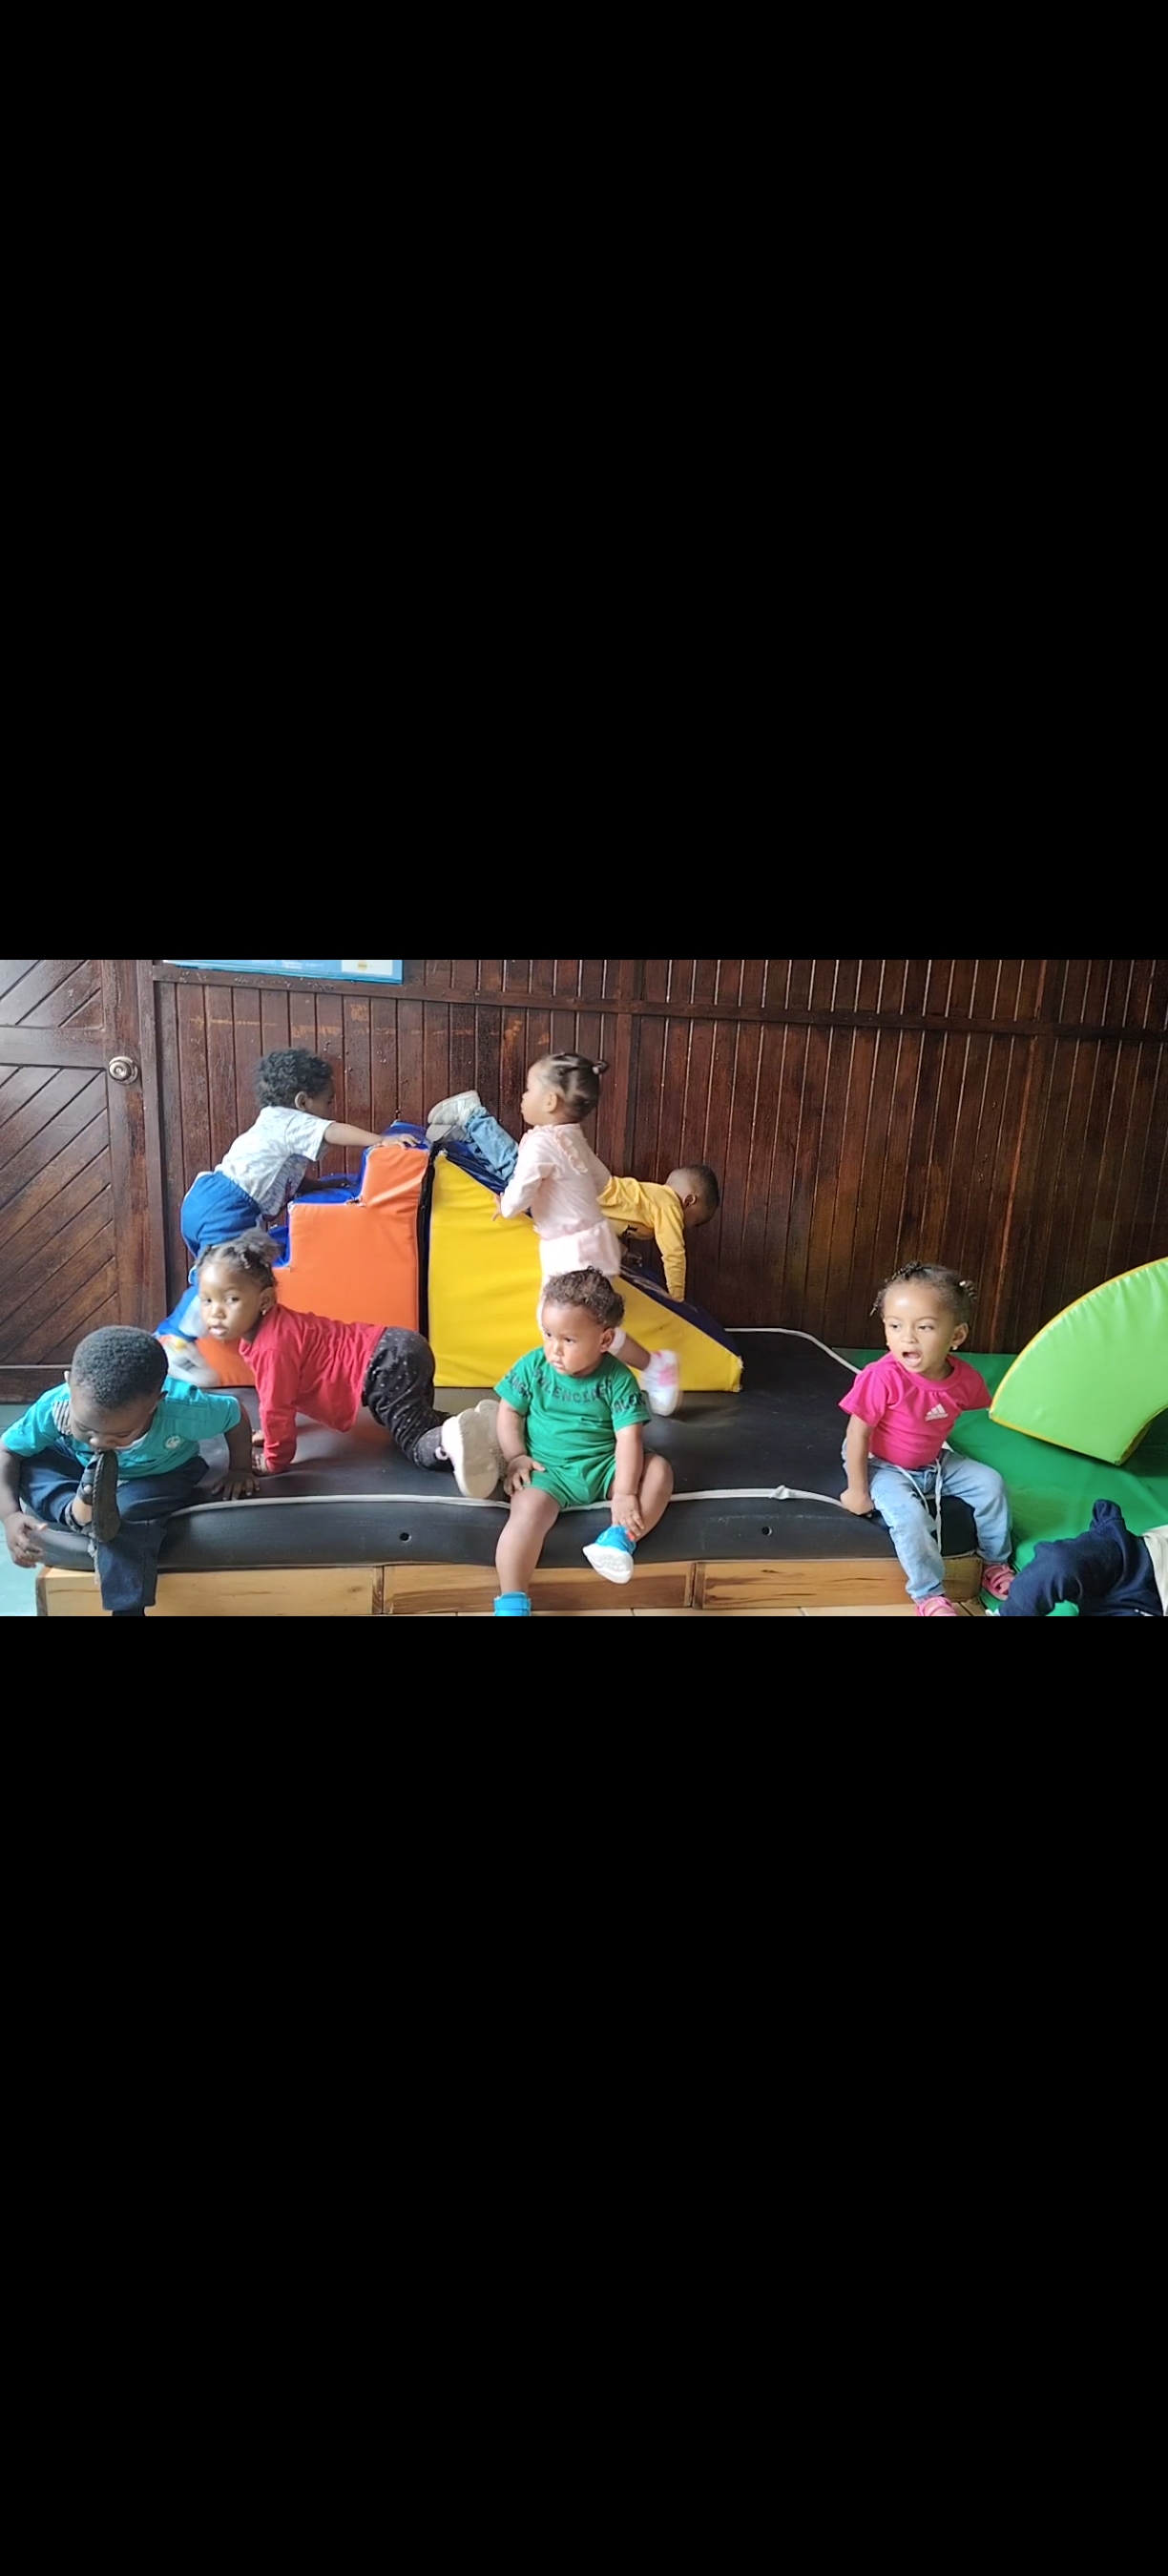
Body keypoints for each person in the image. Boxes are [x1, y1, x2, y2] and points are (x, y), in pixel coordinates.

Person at [425, 1064, 701, 1415]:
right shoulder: (573, 1136)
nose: (524, 1098)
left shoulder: (542, 1144)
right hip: (594, 1244)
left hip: (573, 1252)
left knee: (561, 1323)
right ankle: (647, 1366)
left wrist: (506, 1206)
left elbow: (522, 1188)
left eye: (529, 1090)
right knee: (586, 1327)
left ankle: (636, 1369)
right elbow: (602, 1180)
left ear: (550, 1101)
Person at [195, 1232, 504, 1492]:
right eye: (207, 1300)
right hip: (402, 1344)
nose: (215, 1312)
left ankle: (449, 1442)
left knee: (414, 1443)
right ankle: (481, 1429)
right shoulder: (276, 1327)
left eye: (231, 1299)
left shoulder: (271, 1347)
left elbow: (276, 1407)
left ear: (264, 1300)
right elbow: (280, 1397)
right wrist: (270, 1431)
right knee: (415, 1419)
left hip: (386, 1365)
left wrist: (274, 1460)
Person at [1, 1327, 257, 1616]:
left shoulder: (184, 1409)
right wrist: (10, 1516)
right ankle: (75, 1512)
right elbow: (8, 1452)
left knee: (128, 1517)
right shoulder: (56, 1406)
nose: (99, 1442)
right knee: (32, 1463)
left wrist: (240, 1469)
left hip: (160, 1471)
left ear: (155, 1404)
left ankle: (128, 1611)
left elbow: (235, 1414)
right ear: (69, 1384)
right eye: (85, 1428)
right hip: (80, 1466)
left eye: (120, 1435)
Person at [427, 1086, 720, 1303]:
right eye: (691, 1222)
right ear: (689, 1201)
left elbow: (609, 1224)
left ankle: (468, 1139)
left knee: (510, 1176)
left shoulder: (648, 1204)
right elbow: (674, 1252)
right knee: (516, 1169)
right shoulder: (669, 1204)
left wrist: (623, 1254)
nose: (682, 1228)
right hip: (573, 1189)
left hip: (577, 1200)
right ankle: (474, 1116)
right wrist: (677, 1297)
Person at [491, 1268, 675, 1614]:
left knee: (659, 1471)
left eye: (568, 1340)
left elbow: (629, 1438)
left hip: (604, 1467)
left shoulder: (618, 1379)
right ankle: (512, 1601)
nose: (554, 1350)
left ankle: (619, 1539)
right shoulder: (533, 1366)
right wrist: (516, 1456)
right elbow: (509, 1411)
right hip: (548, 1470)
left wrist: (625, 1493)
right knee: (526, 1512)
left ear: (605, 1341)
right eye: (548, 1334)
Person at [839, 1261, 1015, 1616]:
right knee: (911, 1518)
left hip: (934, 1462)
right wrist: (857, 1490)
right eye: (895, 1326)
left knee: (991, 1483)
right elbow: (857, 1433)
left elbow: (970, 1408)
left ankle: (994, 1563)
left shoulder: (965, 1380)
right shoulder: (881, 1377)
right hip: (883, 1466)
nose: (907, 1338)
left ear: (957, 1336)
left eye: (925, 1327)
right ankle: (929, 1595)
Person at [179, 1049, 386, 1266]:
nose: (328, 1112)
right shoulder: (293, 1120)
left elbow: (278, 1174)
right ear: (302, 1102)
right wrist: (380, 1140)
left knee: (212, 1263)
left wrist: (316, 1186)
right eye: (327, 1102)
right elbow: (332, 1131)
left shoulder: (272, 1120)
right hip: (229, 1208)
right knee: (229, 1271)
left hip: (203, 1197)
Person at [994, 1499, 1166, 1616]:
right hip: (1137, 1560)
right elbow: (1059, 1564)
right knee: (1059, 1565)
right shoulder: (1119, 1557)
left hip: (1147, 1598)